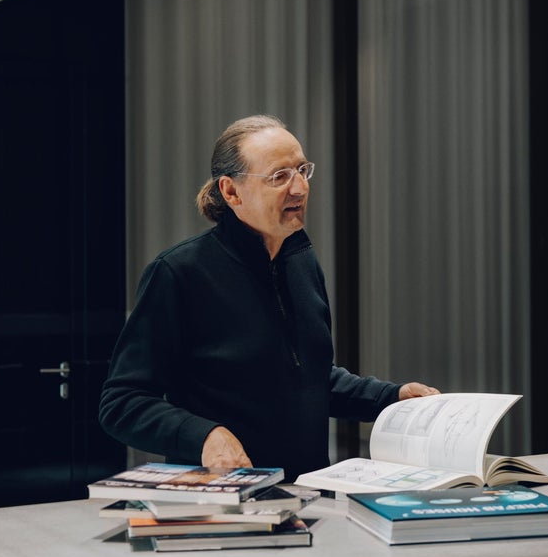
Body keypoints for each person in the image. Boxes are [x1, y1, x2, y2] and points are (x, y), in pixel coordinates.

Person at [99, 114, 438, 481]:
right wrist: (205, 436)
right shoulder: (178, 273)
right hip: (221, 502)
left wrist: (392, 397)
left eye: (302, 171)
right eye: (279, 177)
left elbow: (308, 380)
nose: (299, 189)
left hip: (307, 496)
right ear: (231, 192)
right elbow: (122, 404)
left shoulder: (301, 262)